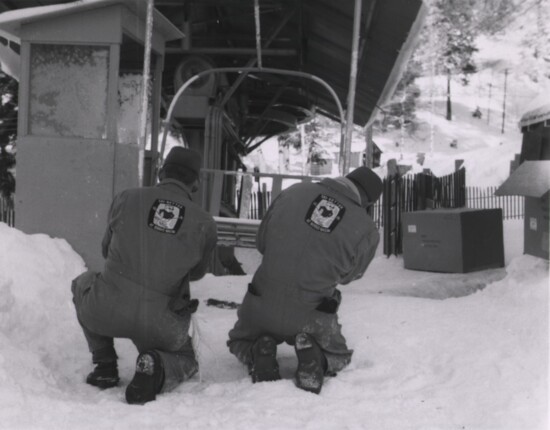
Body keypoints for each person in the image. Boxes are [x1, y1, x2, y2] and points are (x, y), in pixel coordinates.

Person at [71, 147, 217, 405]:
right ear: (196, 182)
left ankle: (104, 365)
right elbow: (197, 273)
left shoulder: (126, 198)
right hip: (160, 324)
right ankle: (156, 364)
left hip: (105, 310)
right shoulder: (204, 222)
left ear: (161, 172)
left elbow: (106, 250)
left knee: (82, 282)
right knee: (186, 360)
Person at [227, 166, 382, 394]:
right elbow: (350, 276)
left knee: (239, 341)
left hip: (260, 302)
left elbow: (262, 243)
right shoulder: (367, 229)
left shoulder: (294, 191)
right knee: (338, 355)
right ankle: (317, 357)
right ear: (368, 203)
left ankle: (258, 348)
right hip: (313, 313)